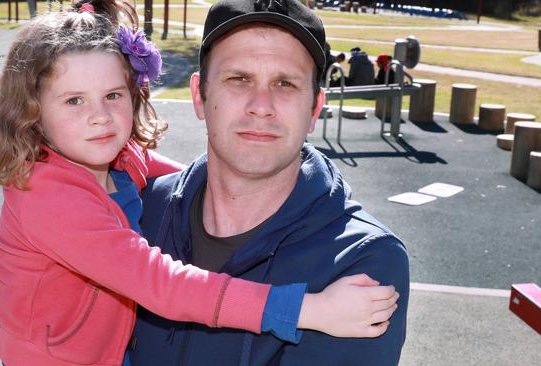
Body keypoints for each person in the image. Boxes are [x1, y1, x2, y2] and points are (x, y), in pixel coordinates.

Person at [0, 0, 400, 365]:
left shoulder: (365, 258)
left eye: (113, 96)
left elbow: (153, 165)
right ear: (33, 112)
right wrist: (309, 309)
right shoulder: (53, 198)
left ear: (315, 107)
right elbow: (164, 284)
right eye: (74, 100)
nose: (99, 116)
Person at [130, 0, 410, 365]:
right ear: (199, 95)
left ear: (314, 108)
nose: (261, 105)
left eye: (285, 83)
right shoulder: (137, 213)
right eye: (239, 78)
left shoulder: (361, 261)